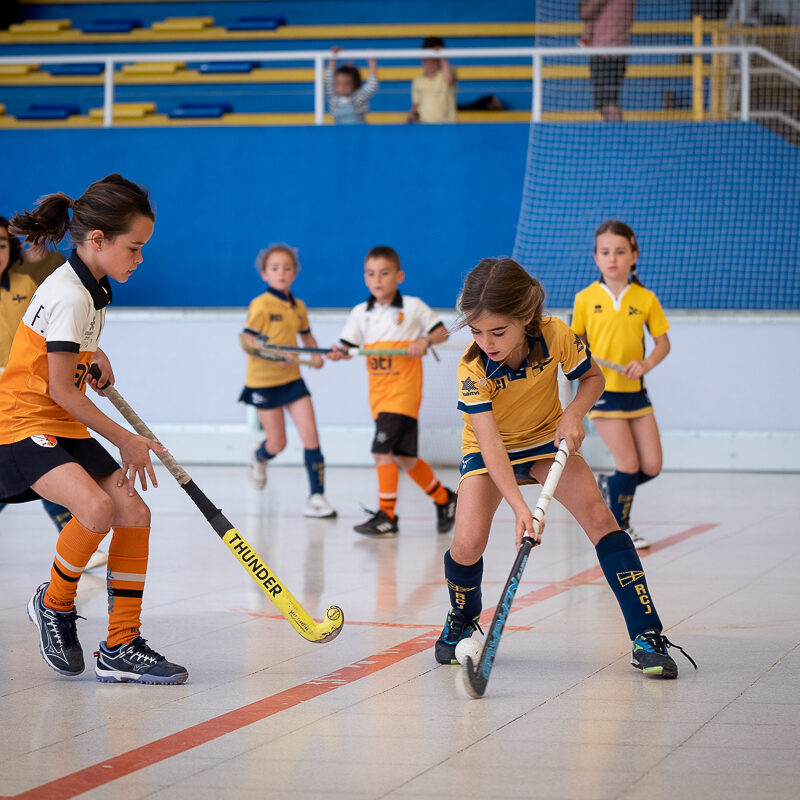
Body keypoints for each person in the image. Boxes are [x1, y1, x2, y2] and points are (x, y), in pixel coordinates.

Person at [436, 257, 695, 679]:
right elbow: (491, 445)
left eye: (498, 332)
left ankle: (647, 634)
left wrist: (574, 413)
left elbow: (593, 378)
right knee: (467, 544)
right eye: (476, 331)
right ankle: (462, 618)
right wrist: (521, 508)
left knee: (601, 517)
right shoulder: (472, 368)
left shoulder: (556, 333)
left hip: (544, 441)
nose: (487, 342)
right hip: (489, 451)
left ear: (525, 318)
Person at [1, 173, 188, 684]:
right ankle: (53, 604)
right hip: (23, 420)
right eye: (135, 248)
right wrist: (125, 439)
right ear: (99, 240)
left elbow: (61, 350)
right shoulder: (71, 294)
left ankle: (121, 644)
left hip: (60, 419)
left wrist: (92, 352)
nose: (140, 259)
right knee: (96, 508)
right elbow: (61, 390)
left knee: (134, 512)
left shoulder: (92, 286)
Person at [0, 215, 108, 570]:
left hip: (23, 390)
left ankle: (72, 535)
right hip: (11, 398)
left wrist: (94, 352)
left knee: (48, 462)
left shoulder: (25, 284)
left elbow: (58, 331)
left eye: (2, 245)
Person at [328, 245, 457, 536]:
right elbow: (347, 347)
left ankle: (387, 516)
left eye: (384, 273)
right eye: (371, 274)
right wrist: (338, 353)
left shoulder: (412, 306)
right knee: (404, 457)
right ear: (365, 278)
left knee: (381, 451)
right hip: (379, 397)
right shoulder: (360, 313)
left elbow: (442, 331)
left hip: (403, 395)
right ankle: (444, 499)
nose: (377, 279)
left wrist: (425, 341)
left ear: (399, 276)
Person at [571, 220, 670, 551]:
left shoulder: (645, 298)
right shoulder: (585, 299)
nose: (612, 258)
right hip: (602, 393)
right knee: (628, 465)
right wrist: (584, 360)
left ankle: (610, 485)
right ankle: (621, 528)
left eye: (620, 251)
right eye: (605, 252)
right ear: (595, 258)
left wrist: (646, 364)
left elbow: (663, 344)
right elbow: (575, 344)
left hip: (636, 393)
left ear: (634, 255)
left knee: (651, 466)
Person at [239, 244, 336, 519]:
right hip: (264, 383)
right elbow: (248, 341)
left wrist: (316, 355)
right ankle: (259, 456)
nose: (281, 273)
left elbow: (306, 337)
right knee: (277, 443)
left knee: (311, 437)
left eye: (287, 268)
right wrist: (274, 356)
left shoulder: (298, 306)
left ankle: (316, 497)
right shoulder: (261, 305)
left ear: (295, 272)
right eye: (274, 268)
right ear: (264, 274)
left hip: (292, 379)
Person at [580, 0, 637, 122]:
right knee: (607, 102)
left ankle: (619, 131)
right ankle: (617, 130)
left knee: (608, 103)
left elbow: (585, 12)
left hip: (606, 51)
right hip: (613, 49)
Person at [406, 37, 457, 123]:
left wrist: (443, 56)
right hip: (425, 124)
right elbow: (416, 104)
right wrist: (411, 116)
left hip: (447, 123)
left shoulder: (447, 74)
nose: (431, 64)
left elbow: (450, 79)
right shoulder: (418, 81)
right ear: (422, 60)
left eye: (434, 61)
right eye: (427, 60)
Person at [325, 46, 379, 125]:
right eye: (338, 83)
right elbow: (328, 80)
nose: (342, 87)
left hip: (359, 131)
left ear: (355, 84)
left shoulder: (358, 98)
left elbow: (372, 85)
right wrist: (333, 58)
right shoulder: (333, 98)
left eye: (347, 83)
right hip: (340, 131)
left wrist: (372, 62)